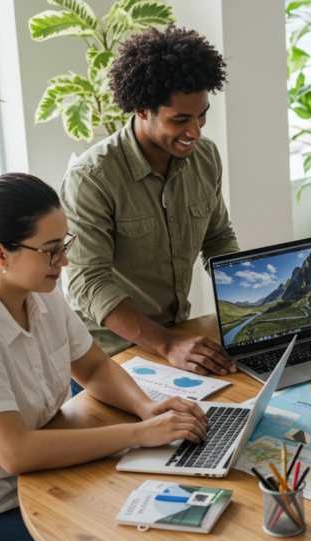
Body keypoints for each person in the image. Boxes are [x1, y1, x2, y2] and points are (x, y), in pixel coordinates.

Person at [0, 175, 209, 541]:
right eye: (50, 251)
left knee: (161, 526)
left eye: (64, 244)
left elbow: (93, 367)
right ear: (0, 254)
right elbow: (17, 452)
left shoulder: (41, 294)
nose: (64, 260)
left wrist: (146, 406)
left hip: (29, 483)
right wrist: (140, 433)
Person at [61, 25, 239, 396]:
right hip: (107, 359)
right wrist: (169, 345)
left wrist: (250, 312)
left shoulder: (205, 157)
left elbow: (218, 238)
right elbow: (88, 284)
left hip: (175, 340)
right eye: (180, 120)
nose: (196, 132)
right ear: (142, 109)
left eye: (201, 115)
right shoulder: (92, 178)